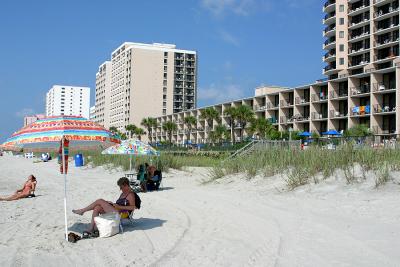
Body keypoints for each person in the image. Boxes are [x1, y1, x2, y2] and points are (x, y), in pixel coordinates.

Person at [72, 177, 136, 235]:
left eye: (121, 187)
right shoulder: (123, 193)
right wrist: (112, 204)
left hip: (121, 213)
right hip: (115, 209)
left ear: (126, 185)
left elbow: (133, 207)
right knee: (97, 207)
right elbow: (120, 204)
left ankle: (82, 211)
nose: (120, 189)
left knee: (100, 200)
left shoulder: (130, 194)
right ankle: (91, 228)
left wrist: (119, 207)